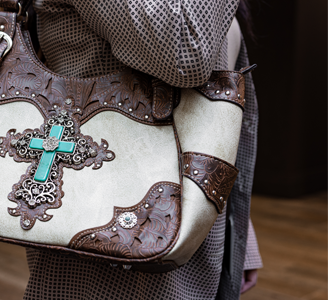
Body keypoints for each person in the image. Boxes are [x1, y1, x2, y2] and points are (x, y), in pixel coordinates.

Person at [23, 0, 262, 299]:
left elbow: (214, 112)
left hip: (200, 232)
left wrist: (237, 232)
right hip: (107, 231)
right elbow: (185, 55)